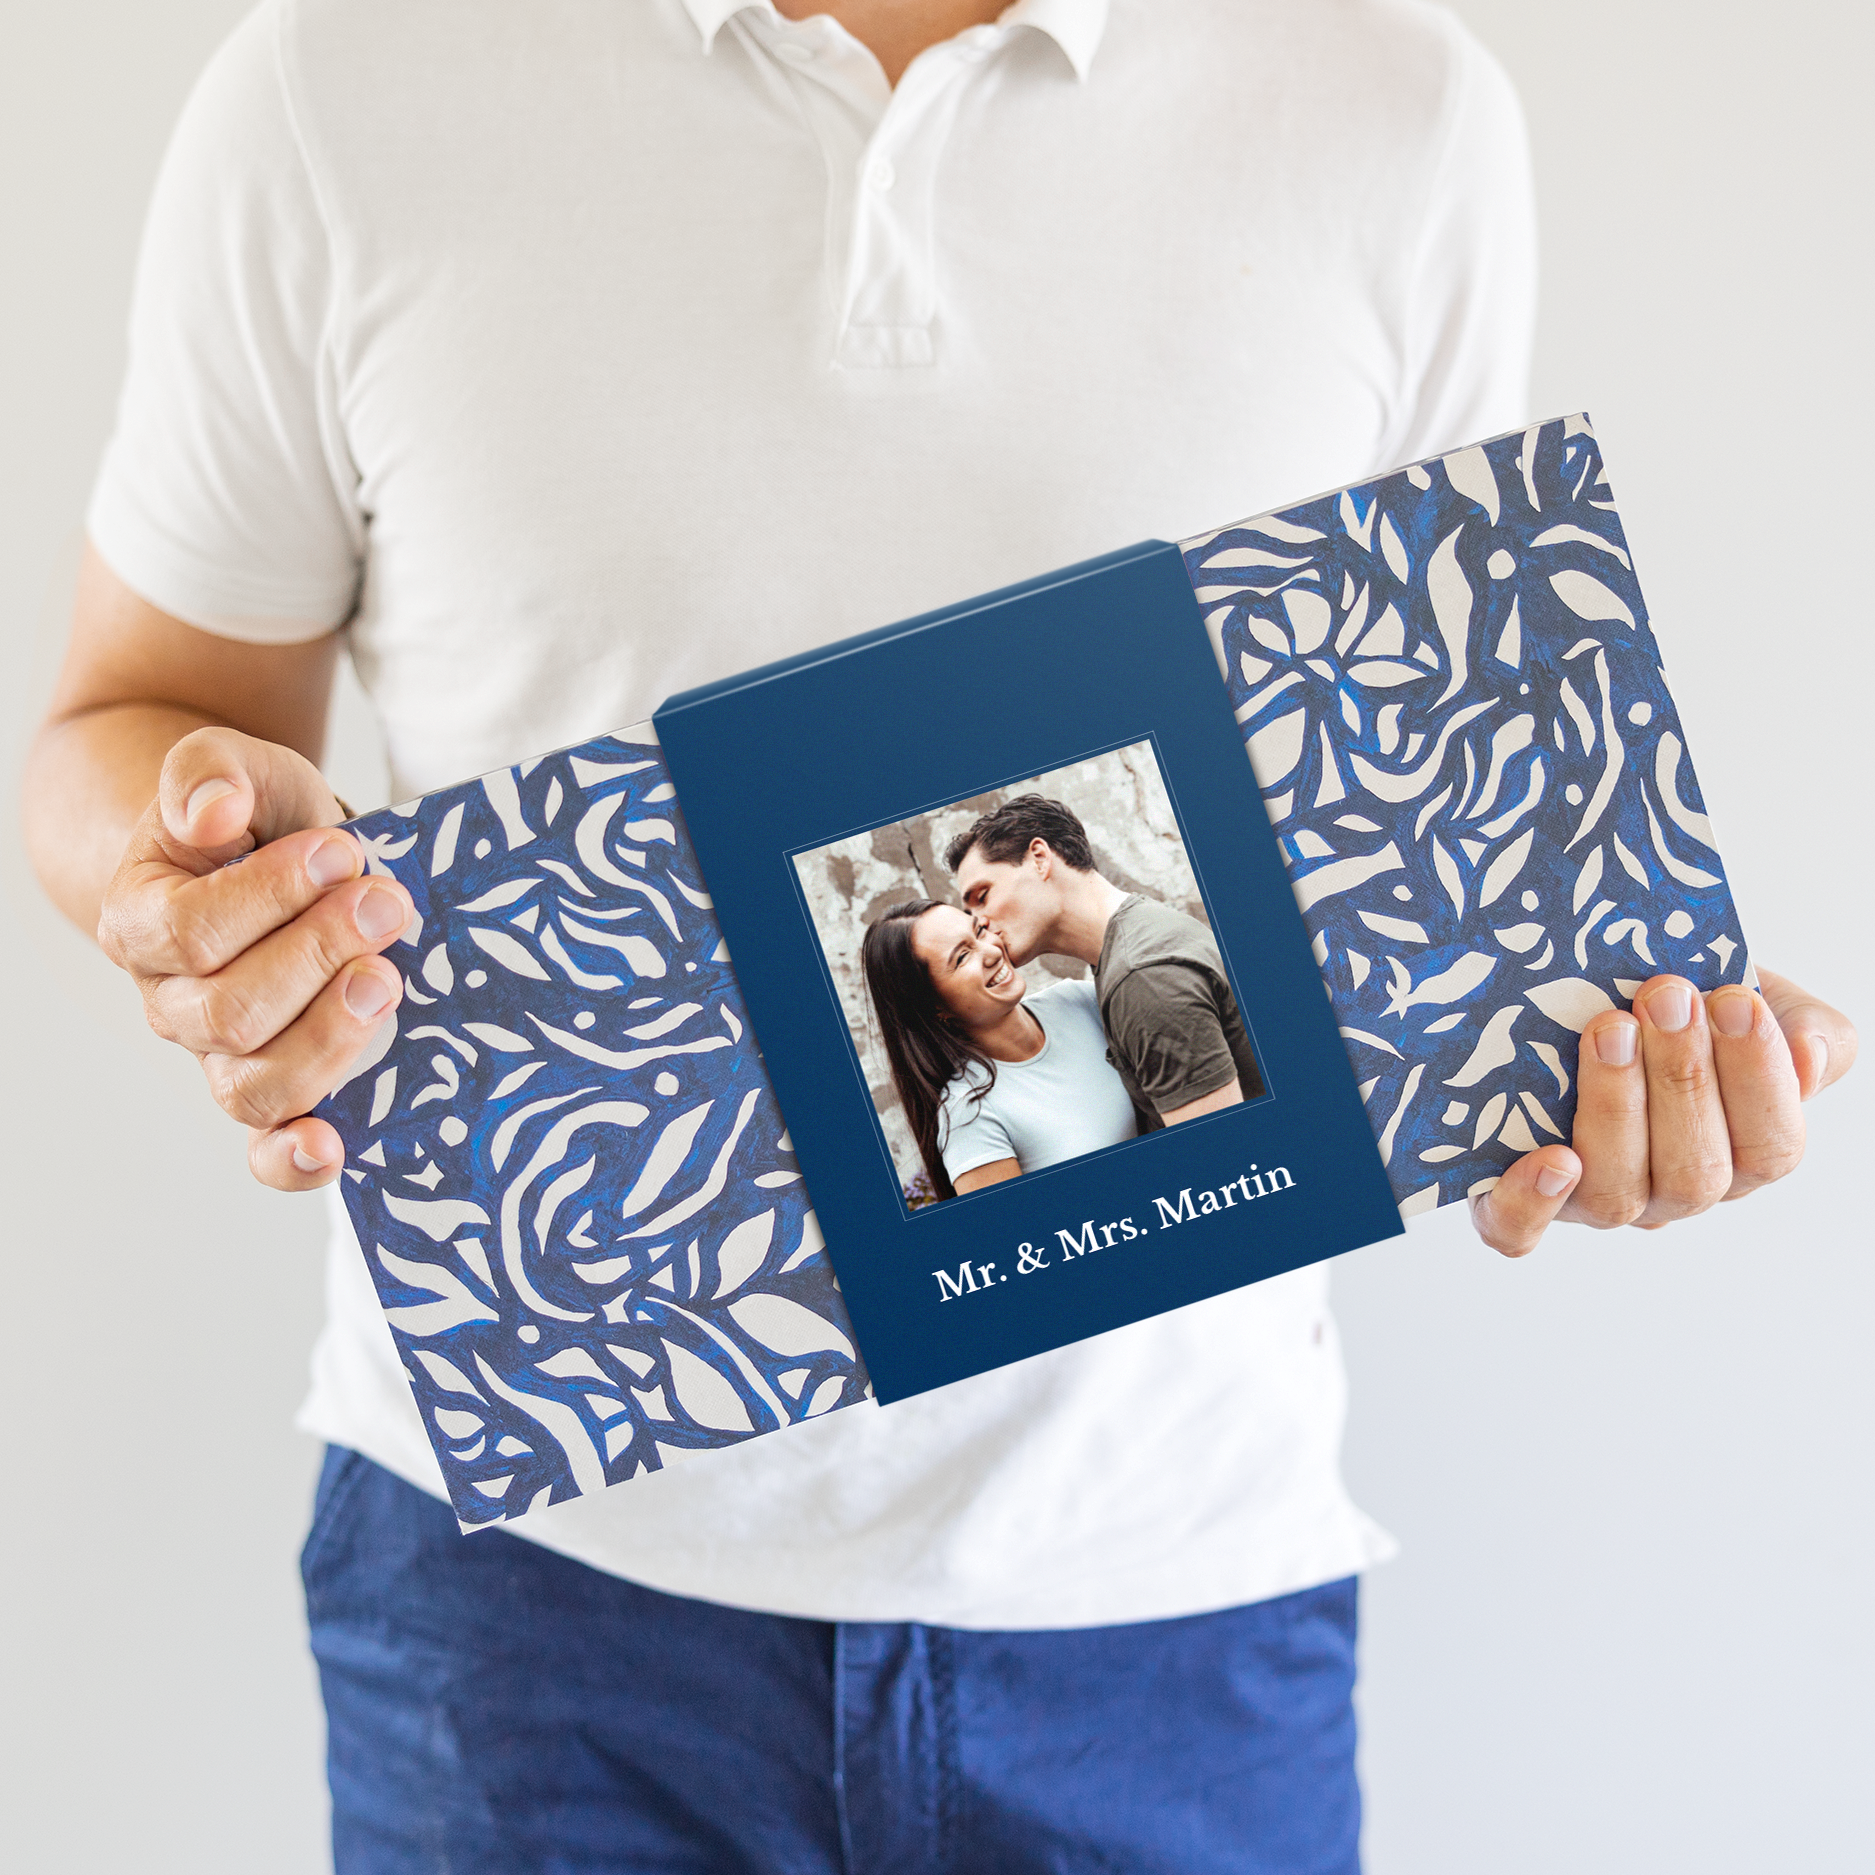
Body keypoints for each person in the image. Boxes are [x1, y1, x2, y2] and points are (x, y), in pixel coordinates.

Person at [21, 0, 1855, 1867]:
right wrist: (193, 889)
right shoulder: (341, 82)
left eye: (984, 905)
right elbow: (127, 717)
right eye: (953, 921)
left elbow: (1426, 828)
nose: (973, 927)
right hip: (531, 1608)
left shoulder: (1398, 109)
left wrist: (1600, 1054)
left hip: (1172, 1612)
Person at [948, 793, 1263, 1129]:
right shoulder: (1135, 937)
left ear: (1039, 858)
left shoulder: (1142, 977)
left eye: (982, 897)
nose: (978, 922)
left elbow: (1225, 1152)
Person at [861, 897, 1140, 1199]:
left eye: (979, 931)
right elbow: (1012, 1236)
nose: (992, 951)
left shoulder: (1080, 1000)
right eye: (962, 957)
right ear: (934, 1006)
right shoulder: (969, 1115)